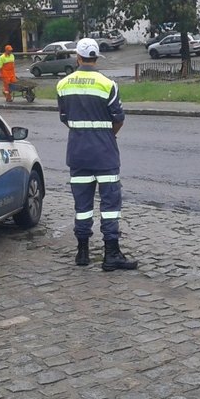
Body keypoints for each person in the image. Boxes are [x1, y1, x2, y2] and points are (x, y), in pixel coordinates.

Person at [56, 37, 138, 272]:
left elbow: (65, 119)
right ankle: (111, 255)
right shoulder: (107, 84)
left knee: (82, 207)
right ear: (96, 58)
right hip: (105, 155)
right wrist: (107, 135)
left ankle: (82, 253)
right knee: (110, 206)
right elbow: (119, 118)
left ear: (78, 57)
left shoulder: (63, 85)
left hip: (78, 154)